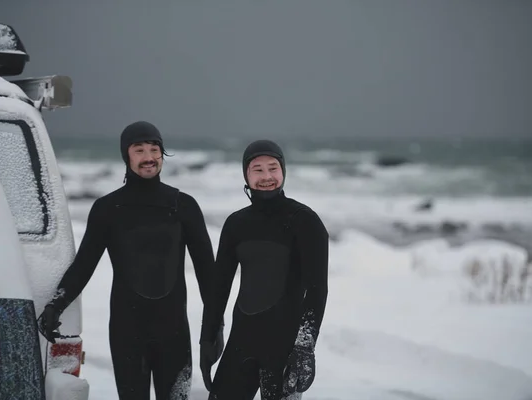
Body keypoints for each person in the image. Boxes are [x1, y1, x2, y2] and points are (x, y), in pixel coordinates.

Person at [37, 121, 224, 399]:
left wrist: (213, 328)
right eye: (139, 150)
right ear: (127, 155)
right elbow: (84, 265)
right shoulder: (108, 209)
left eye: (154, 149)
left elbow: (207, 274)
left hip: (173, 333)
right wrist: (56, 304)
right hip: (127, 333)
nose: (149, 157)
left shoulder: (184, 206)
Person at [199, 139, 329, 400]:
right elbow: (219, 286)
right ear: (246, 175)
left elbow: (317, 289)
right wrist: (208, 337)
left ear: (283, 171)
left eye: (273, 168)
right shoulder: (236, 224)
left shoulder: (305, 220)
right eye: (257, 169)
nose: (267, 176)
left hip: (284, 350)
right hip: (241, 343)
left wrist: (304, 347)